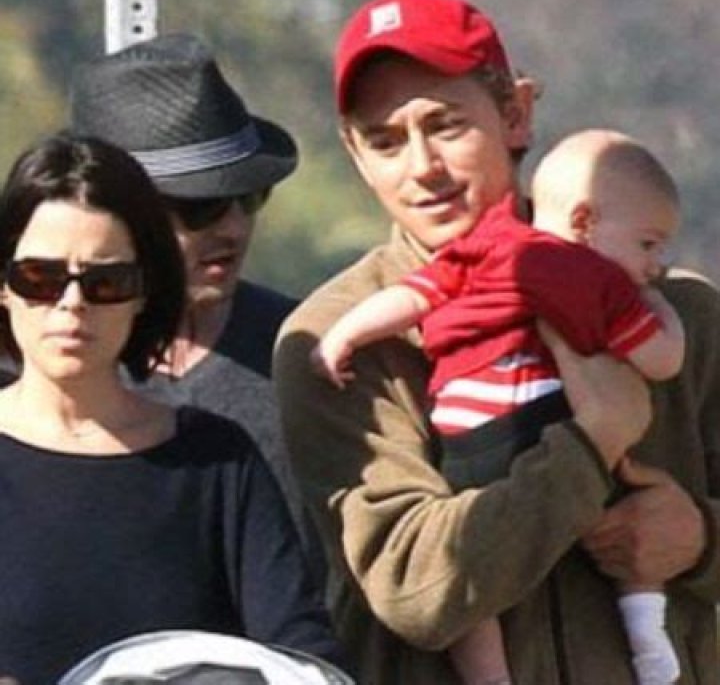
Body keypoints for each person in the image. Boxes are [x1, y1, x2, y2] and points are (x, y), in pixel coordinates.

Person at [273, 0, 720, 685]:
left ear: (516, 113)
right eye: (385, 141)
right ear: (355, 154)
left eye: (446, 125)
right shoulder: (336, 341)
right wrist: (592, 444)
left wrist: (698, 539)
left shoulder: (676, 312)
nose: (422, 167)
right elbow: (417, 588)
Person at [310, 130, 684, 684]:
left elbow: (412, 298)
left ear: (516, 112)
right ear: (583, 222)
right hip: (539, 425)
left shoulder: (488, 246)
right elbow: (663, 360)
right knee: (626, 526)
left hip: (465, 433)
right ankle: (648, 636)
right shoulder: (607, 282)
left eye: (447, 126)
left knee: (473, 580)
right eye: (648, 245)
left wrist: (344, 336)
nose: (656, 265)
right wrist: (663, 312)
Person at [0, 133, 344, 685]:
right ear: (4, 285)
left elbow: (302, 656)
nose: (71, 304)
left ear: (143, 292)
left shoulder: (216, 461)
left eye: (106, 282)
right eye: (40, 278)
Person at [67, 33, 322, 571]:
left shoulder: (310, 356)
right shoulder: (35, 370)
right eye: (200, 208)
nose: (234, 228)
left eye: (249, 198)